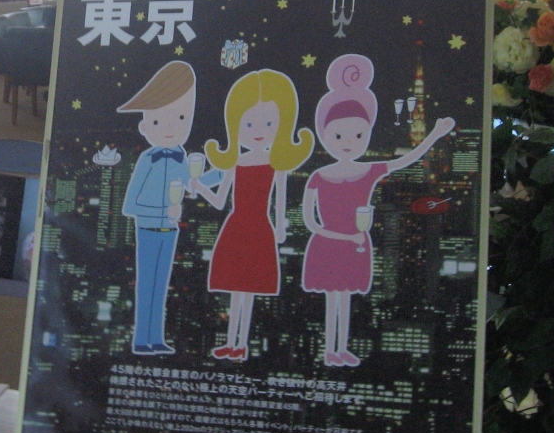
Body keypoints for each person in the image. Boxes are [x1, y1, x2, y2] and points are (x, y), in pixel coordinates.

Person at [300, 54, 453, 368]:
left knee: (345, 297)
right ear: (324, 134)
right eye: (338, 136)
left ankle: (340, 349)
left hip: (354, 244)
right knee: (333, 298)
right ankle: (330, 350)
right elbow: (309, 221)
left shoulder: (368, 171)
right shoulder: (318, 176)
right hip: (333, 244)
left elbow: (405, 160)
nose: (348, 142)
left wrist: (435, 135)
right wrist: (342, 236)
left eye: (358, 135)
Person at [193, 69, 313, 362]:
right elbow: (220, 201)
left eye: (269, 123)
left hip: (259, 227)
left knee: (247, 289)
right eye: (248, 123)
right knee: (236, 289)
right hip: (236, 227)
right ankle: (231, 343)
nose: (259, 130)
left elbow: (279, 198)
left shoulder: (276, 162)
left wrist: (280, 228)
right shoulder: (236, 162)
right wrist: (199, 186)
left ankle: (241, 344)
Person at [117, 61, 220, 356]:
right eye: (159, 121)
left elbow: (193, 184)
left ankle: (156, 338)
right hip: (148, 228)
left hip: (170, 229)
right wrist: (164, 209)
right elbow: (130, 203)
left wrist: (223, 172)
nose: (171, 128)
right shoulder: (147, 159)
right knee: (146, 283)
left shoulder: (181, 157)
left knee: (161, 286)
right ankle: (141, 339)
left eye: (182, 117)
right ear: (145, 126)